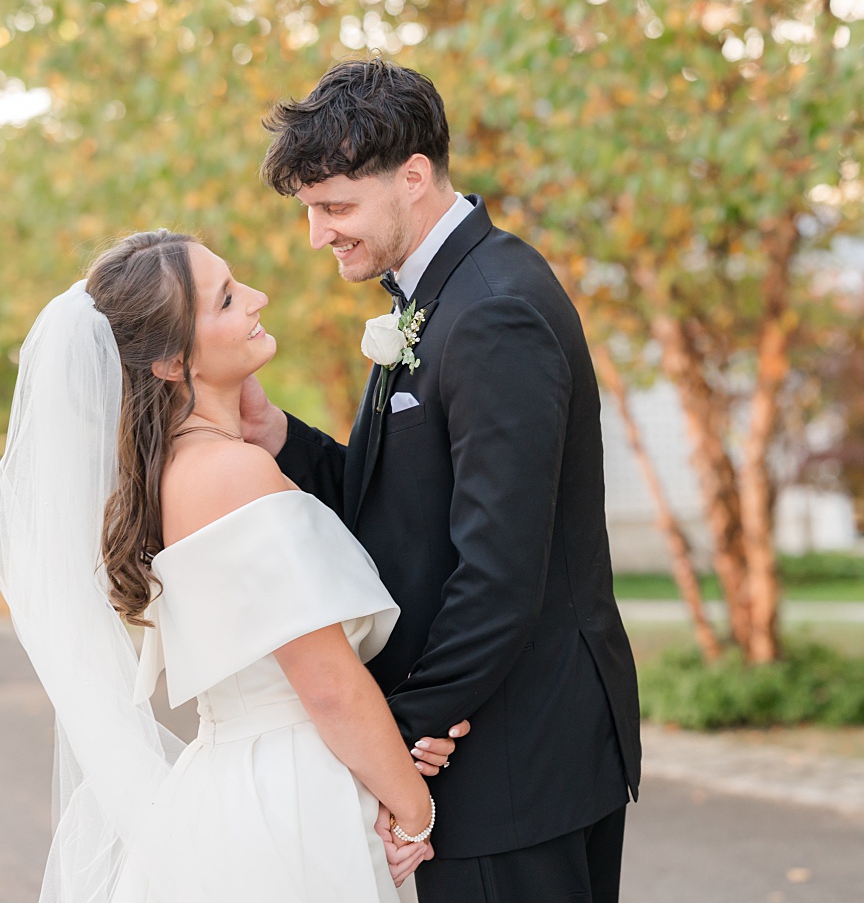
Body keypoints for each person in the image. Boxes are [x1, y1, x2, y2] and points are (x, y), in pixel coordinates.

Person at [241, 58, 642, 902]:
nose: (318, 235)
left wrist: (403, 729)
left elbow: (500, 572)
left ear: (413, 178)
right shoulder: (436, 295)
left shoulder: (493, 308)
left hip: (516, 759)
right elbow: (403, 507)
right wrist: (279, 437)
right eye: (312, 211)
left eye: (336, 207)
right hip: (487, 747)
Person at [0, 231, 467, 901]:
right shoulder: (231, 474)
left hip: (236, 777)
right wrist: (415, 811)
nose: (256, 299)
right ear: (169, 361)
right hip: (297, 792)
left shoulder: (170, 476)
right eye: (225, 300)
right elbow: (327, 684)